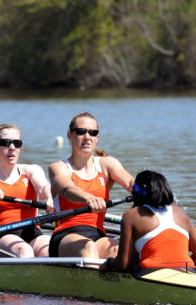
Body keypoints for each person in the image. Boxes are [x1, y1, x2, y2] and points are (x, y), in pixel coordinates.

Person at [48, 111, 133, 259]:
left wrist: (151, 191)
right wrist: (88, 198)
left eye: (92, 133)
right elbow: (67, 189)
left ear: (97, 137)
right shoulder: (58, 167)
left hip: (98, 234)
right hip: (65, 236)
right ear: (69, 135)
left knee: (120, 251)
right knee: (88, 247)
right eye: (81, 132)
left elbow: (131, 183)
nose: (87, 137)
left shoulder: (108, 164)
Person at [0, 123, 52, 257]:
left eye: (16, 143)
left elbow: (44, 187)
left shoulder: (31, 170)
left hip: (32, 230)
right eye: (5, 143)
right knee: (24, 250)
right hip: (0, 234)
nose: (12, 147)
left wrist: (49, 198)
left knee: (49, 247)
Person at [110, 170, 196, 271]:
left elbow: (122, 264)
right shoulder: (181, 214)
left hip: (150, 271)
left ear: (137, 195)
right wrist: (178, 266)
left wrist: (108, 262)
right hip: (186, 269)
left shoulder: (130, 216)